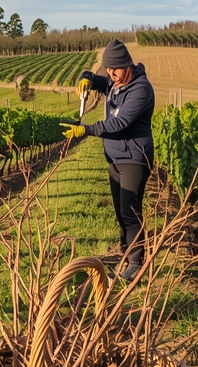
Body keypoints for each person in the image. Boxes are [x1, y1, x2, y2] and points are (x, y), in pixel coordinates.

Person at [62, 39, 155, 281]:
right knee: (120, 212)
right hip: (114, 159)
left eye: (115, 69)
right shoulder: (115, 82)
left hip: (134, 158)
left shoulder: (141, 89)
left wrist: (87, 130)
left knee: (130, 213)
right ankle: (126, 255)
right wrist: (86, 78)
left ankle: (136, 264)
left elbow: (120, 123)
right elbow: (97, 79)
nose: (111, 74)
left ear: (127, 65)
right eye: (108, 69)